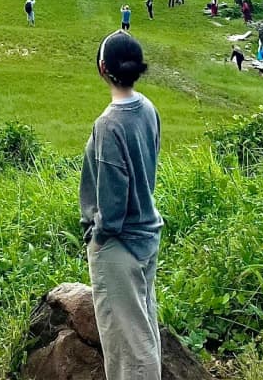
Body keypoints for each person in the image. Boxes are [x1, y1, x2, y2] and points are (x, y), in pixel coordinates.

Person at [80, 32, 163, 380]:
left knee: (128, 346)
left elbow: (112, 201)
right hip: (146, 231)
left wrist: (98, 234)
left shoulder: (109, 125)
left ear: (103, 68)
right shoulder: (147, 109)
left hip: (118, 244)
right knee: (144, 330)